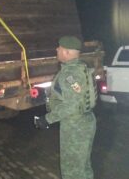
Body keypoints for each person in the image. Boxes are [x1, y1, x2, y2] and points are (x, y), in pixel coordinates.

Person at [34, 36, 97, 179]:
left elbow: (72, 105)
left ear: (67, 53)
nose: (57, 49)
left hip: (75, 125)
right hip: (85, 121)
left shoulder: (69, 74)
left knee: (72, 170)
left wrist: (47, 119)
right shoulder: (81, 67)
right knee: (83, 166)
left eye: (59, 48)